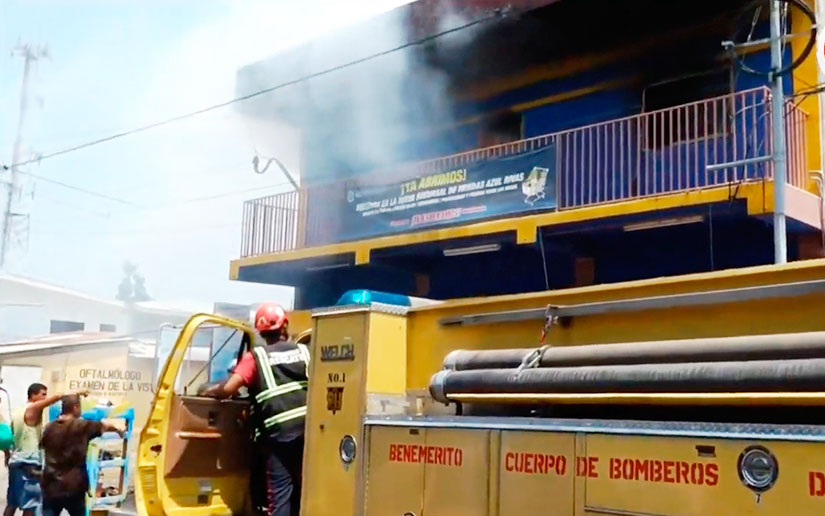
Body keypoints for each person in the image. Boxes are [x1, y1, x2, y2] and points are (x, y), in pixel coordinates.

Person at [204, 302, 310, 516]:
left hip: (279, 436)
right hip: (309, 432)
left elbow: (229, 389)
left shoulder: (256, 357)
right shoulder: (305, 351)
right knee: (307, 489)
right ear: (285, 325)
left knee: (280, 494)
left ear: (261, 332)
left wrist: (209, 391)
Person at [4, 384, 82, 516]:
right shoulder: (32, 409)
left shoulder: (17, 412)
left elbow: (8, 437)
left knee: (13, 502)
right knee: (32, 504)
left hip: (16, 461)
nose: (45, 398)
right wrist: (75, 392)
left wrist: (7, 455)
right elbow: (56, 397)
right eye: (43, 394)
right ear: (33, 395)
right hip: (29, 462)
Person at [39, 395, 122, 516]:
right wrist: (119, 429)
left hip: (51, 485)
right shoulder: (83, 426)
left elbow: (42, 445)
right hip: (74, 485)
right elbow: (105, 425)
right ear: (75, 407)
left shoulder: (49, 427)